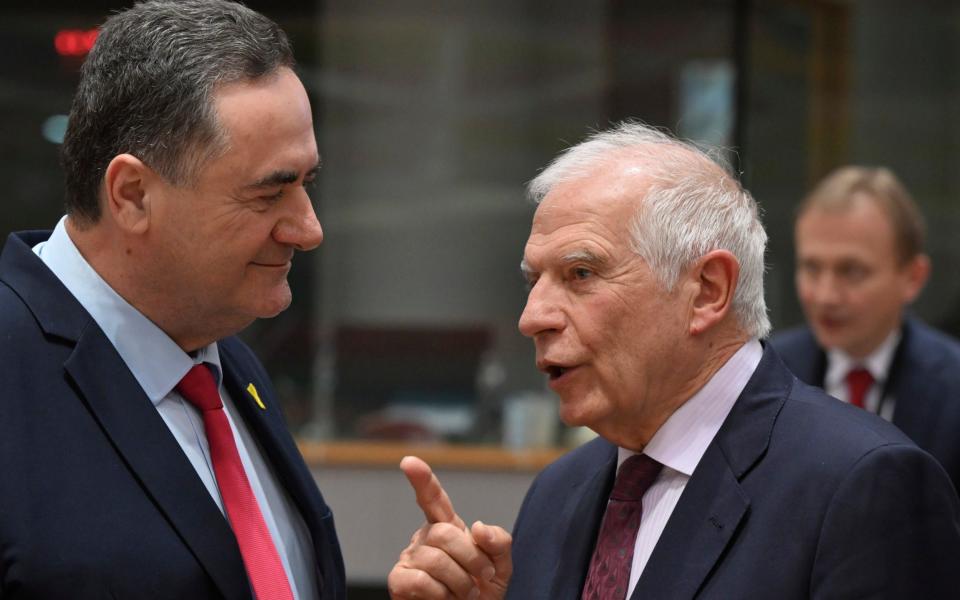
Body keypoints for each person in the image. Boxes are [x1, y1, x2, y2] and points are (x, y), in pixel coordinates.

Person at [387, 123, 960, 599]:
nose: (533, 316)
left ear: (707, 290)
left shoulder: (862, 485)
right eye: (534, 281)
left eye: (580, 274)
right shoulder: (558, 493)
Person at [0, 1, 345, 598]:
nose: (308, 229)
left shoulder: (226, 364)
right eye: (270, 193)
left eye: (306, 183)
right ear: (132, 195)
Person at [771, 166, 960, 490]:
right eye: (811, 268)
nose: (826, 296)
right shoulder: (767, 370)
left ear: (913, 278)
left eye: (852, 271)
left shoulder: (953, 387)